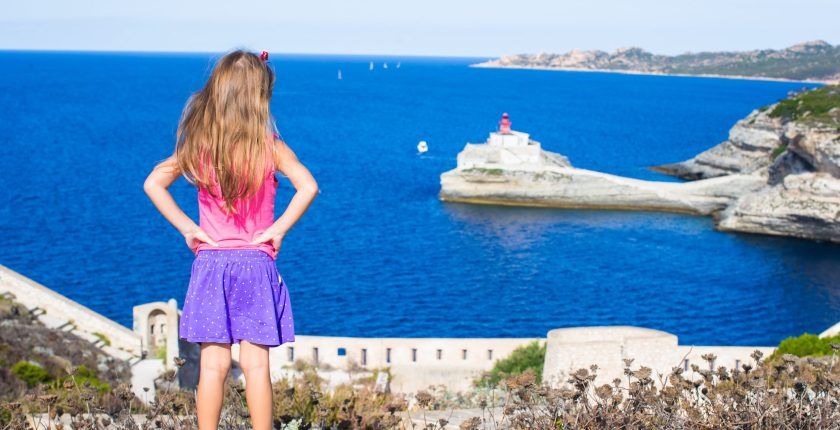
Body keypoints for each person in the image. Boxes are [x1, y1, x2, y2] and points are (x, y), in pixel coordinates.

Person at [143, 49, 318, 430]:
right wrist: (278, 228)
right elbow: (308, 186)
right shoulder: (270, 147)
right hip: (256, 265)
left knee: (212, 365)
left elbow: (153, 183)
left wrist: (188, 227)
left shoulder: (200, 146)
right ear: (260, 97)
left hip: (211, 265)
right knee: (256, 366)